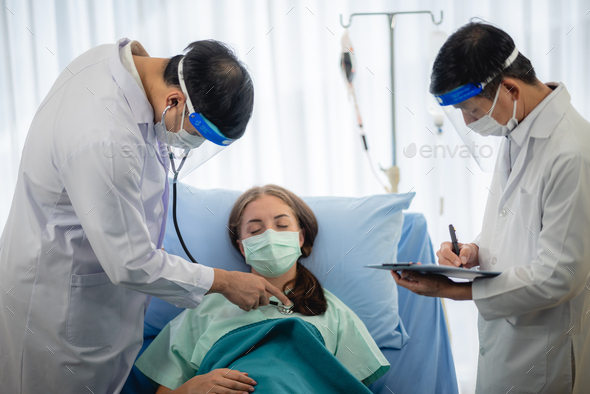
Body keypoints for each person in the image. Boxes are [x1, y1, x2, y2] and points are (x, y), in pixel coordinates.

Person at [0, 38, 291, 394]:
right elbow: (131, 263)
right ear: (175, 100)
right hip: (57, 306)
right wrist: (225, 282)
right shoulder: (104, 138)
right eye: (199, 133)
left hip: (92, 291)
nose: (192, 143)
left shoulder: (120, 66)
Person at [392, 22, 590, 394]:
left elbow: (561, 274)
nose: (468, 123)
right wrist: (475, 251)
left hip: (545, 354)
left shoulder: (572, 151)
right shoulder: (519, 129)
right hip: (507, 341)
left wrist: (454, 291)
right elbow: (520, 224)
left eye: (471, 110)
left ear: (510, 89)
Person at [134, 185, 390, 393]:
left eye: (281, 225)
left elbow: (346, 386)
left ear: (300, 238)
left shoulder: (333, 313)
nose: (269, 234)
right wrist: (192, 389)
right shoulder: (202, 310)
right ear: (243, 247)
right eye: (255, 230)